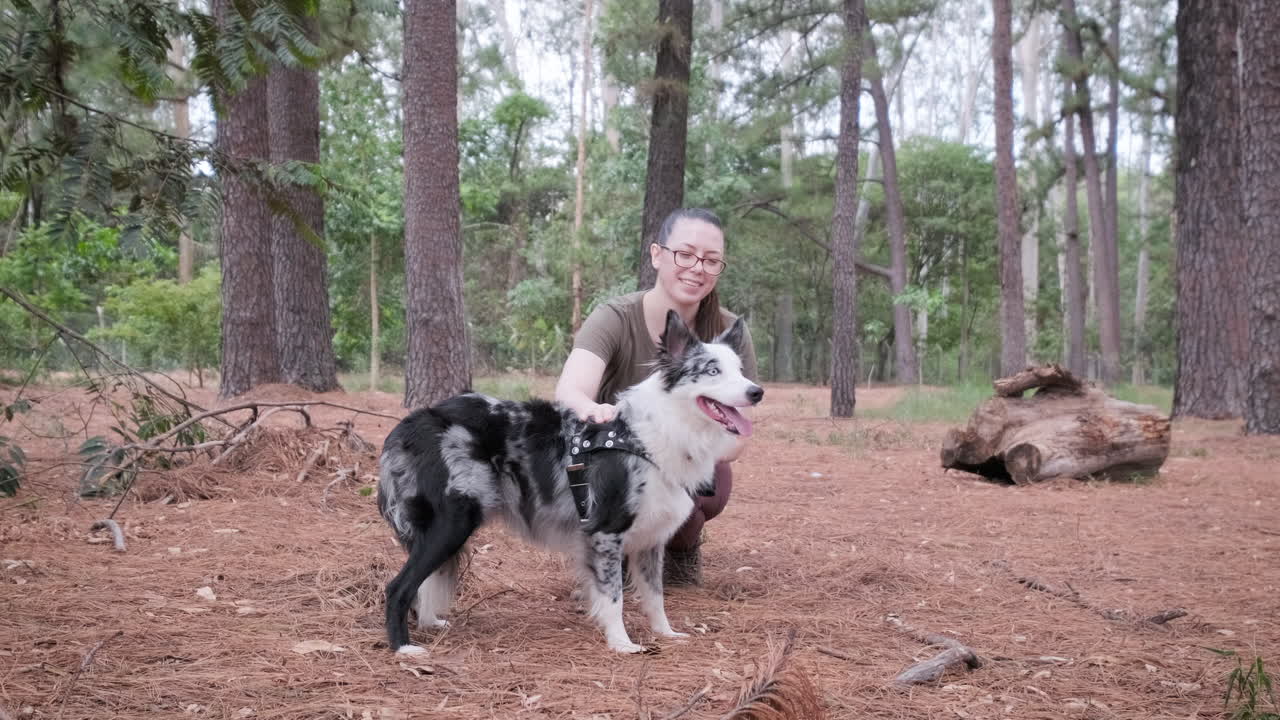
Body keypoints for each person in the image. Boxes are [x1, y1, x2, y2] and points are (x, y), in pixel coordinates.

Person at [554, 207, 758, 586]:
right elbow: (569, 391)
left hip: (685, 455)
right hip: (611, 456)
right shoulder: (614, 317)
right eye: (685, 254)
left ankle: (679, 547)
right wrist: (593, 410)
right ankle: (605, 547)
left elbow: (739, 433)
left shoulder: (729, 331)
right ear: (657, 254)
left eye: (711, 261)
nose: (697, 268)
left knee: (706, 484)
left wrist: (687, 448)